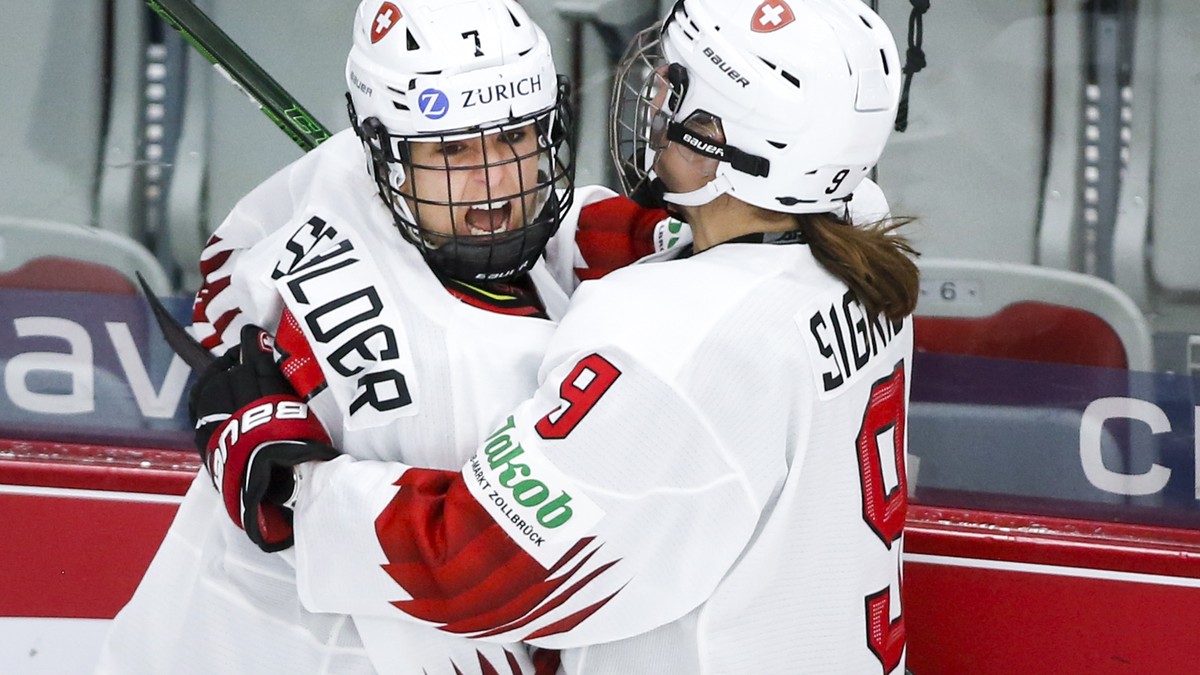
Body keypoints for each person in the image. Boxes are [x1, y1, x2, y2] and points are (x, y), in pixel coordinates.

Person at [187, 0, 920, 672]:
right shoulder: (863, 241)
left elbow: (473, 566)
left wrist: (290, 487)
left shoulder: (661, 350)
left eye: (675, 92)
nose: (655, 103)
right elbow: (689, 263)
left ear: (726, 142)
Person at [97, 1, 685, 673]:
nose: (494, 180)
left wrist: (671, 239)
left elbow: (224, 280)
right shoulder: (460, 382)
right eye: (455, 148)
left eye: (515, 138)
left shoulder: (348, 170)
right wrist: (257, 415)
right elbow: (475, 571)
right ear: (385, 149)